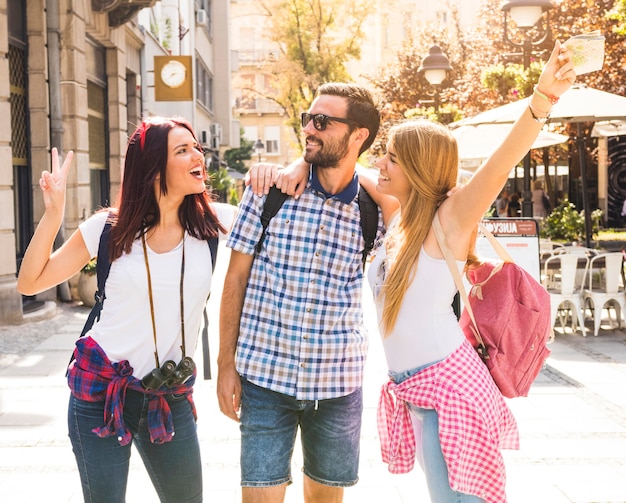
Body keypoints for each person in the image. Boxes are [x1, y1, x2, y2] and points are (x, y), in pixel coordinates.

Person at [366, 41, 575, 502]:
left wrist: (543, 98)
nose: (381, 164)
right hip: (420, 393)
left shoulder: (450, 216)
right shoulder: (401, 218)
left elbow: (501, 165)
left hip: (450, 391)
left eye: (393, 158)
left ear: (419, 167)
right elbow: (347, 171)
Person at [17, 117, 236, 503]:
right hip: (100, 392)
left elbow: (278, 208)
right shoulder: (108, 230)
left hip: (169, 396)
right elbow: (30, 283)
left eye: (196, 147)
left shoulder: (213, 227)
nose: (197, 155)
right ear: (153, 168)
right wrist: (53, 215)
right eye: (182, 150)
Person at [217, 82, 397, 503]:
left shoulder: (372, 209)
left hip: (338, 382)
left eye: (322, 121)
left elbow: (411, 213)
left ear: (358, 136)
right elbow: (234, 281)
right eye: (307, 120)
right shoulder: (269, 193)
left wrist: (363, 180)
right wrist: (226, 364)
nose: (309, 130)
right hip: (264, 378)